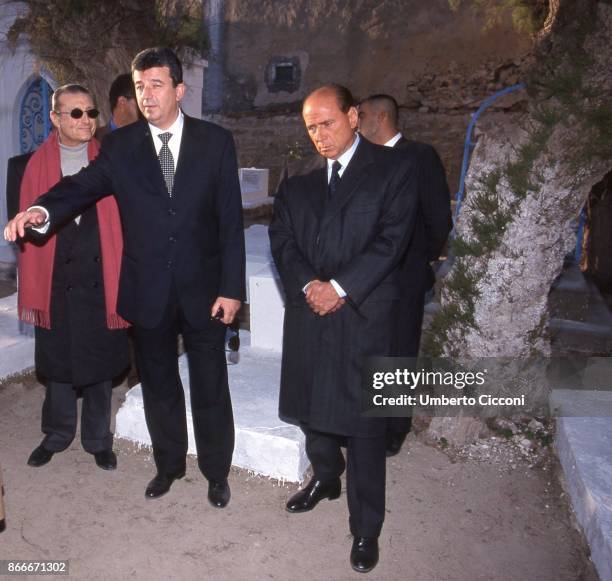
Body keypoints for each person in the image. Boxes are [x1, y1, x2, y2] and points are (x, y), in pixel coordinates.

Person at [4, 47, 246, 507]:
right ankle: (169, 466)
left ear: (179, 89)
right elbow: (80, 186)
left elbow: (230, 221)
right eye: (139, 87)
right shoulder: (120, 147)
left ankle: (216, 472)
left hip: (205, 292)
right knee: (159, 386)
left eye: (156, 85)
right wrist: (41, 209)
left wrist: (232, 289)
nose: (147, 95)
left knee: (211, 385)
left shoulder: (216, 142)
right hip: (146, 291)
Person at [269, 84, 419, 573]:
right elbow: (283, 238)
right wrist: (310, 284)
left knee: (364, 429)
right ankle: (326, 478)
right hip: (311, 312)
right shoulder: (299, 182)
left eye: (327, 122)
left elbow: (392, 240)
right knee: (313, 413)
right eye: (311, 126)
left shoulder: (393, 169)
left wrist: (340, 286)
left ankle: (365, 528)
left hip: (364, 315)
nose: (319, 135)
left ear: (354, 117)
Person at [16, 84, 129, 471]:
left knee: (100, 363)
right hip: (56, 281)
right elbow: (28, 230)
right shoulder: (30, 166)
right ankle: (57, 434)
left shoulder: (112, 159)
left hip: (102, 276)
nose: (86, 120)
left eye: (91, 112)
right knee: (59, 363)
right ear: (56, 118)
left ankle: (98, 439)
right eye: (76, 113)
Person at [358, 94, 452, 456]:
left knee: (398, 352)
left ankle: (393, 429)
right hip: (366, 278)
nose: (356, 120)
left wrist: (414, 261)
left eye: (362, 115)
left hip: (403, 278)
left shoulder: (420, 156)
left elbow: (439, 218)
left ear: (381, 117)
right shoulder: (363, 160)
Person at [95, 73, 140, 141]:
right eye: (139, 100)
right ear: (122, 102)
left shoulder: (151, 137)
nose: (145, 103)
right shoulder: (94, 140)